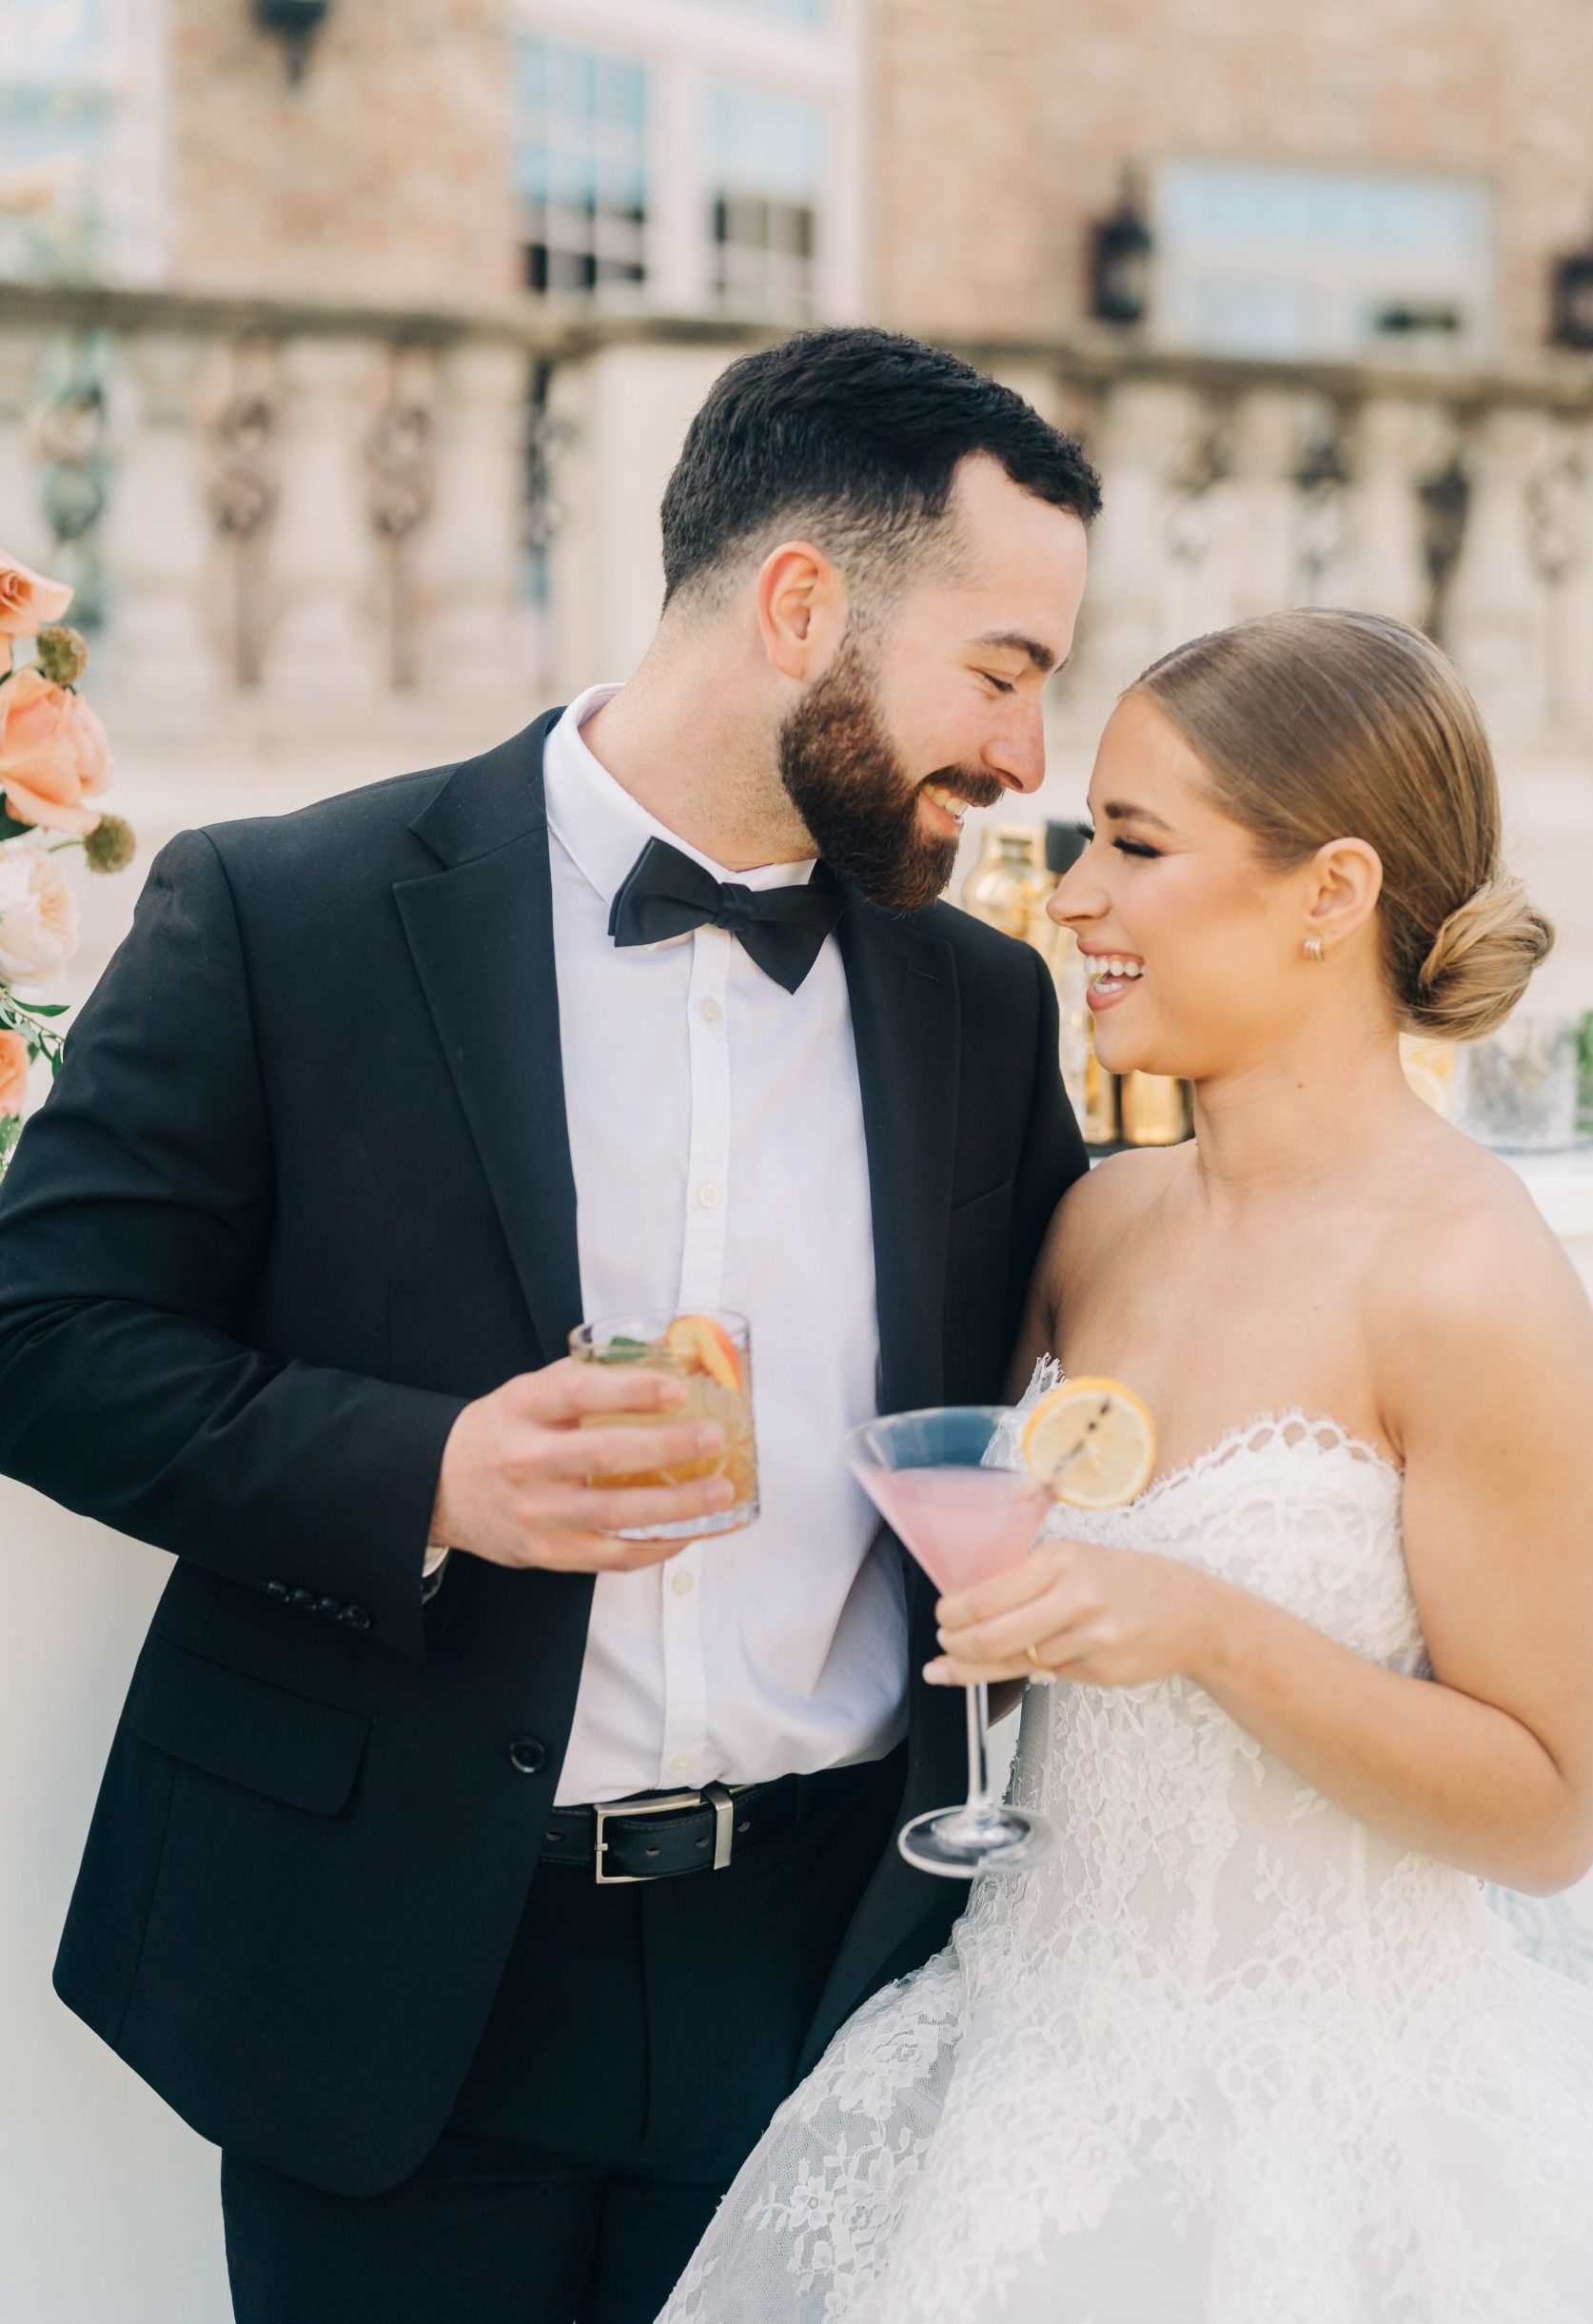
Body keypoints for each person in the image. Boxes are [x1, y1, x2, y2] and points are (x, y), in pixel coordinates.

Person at [0, 326, 1098, 2323]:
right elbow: (40, 1332)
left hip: (829, 1967)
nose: (1029, 755)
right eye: (1004, 675)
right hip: (394, 1967)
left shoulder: (981, 1001)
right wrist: (423, 1472)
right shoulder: (280, 911)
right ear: (798, 606)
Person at [659, 605, 1593, 2323]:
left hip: (1321, 2136)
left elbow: (1547, 1811)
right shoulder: (1094, 1224)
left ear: (1331, 893)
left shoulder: (1473, 1280)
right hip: (1014, 2060)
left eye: (1134, 843)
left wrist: (1202, 1624)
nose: (1076, 896)